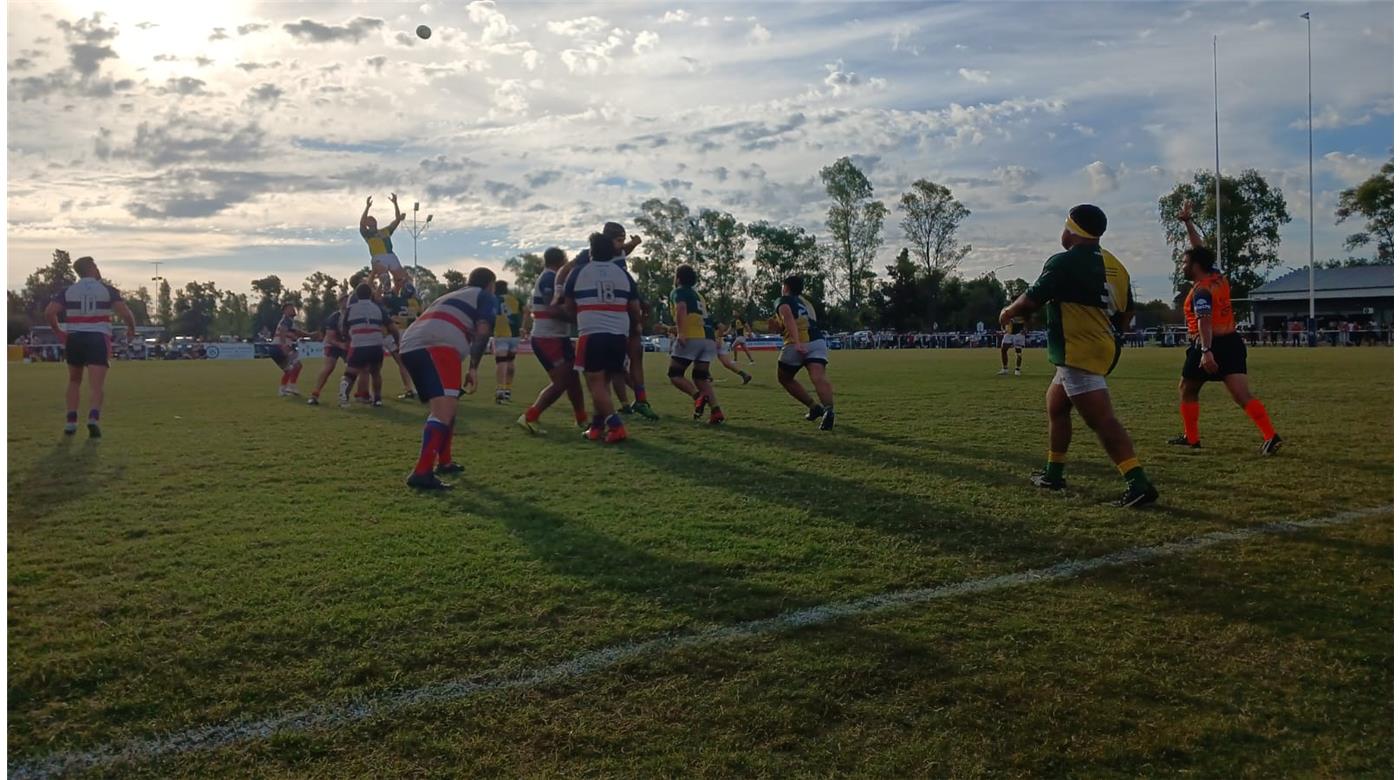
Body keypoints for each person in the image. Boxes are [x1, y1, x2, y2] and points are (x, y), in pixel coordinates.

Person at [999, 204, 1158, 508]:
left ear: (1071, 230)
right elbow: (1128, 311)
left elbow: (1030, 300)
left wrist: (1007, 311)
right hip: (1102, 346)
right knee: (1056, 406)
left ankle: (1138, 483)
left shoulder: (1064, 262)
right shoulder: (1117, 265)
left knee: (1102, 420)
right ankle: (1053, 473)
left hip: (1078, 350)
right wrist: (1111, 332)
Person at [1168, 202, 1283, 455]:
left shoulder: (1201, 290)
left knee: (1187, 389)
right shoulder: (1217, 276)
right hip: (1232, 342)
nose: (1183, 266)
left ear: (1196, 266)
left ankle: (1193, 437)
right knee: (1241, 395)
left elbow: (1204, 321)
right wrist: (1188, 223)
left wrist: (1206, 351)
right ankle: (1270, 435)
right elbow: (1199, 249)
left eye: (1185, 263)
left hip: (1209, 344)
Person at [398, 267, 498, 489]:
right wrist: (473, 367)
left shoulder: (450, 295)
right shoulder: (485, 297)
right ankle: (422, 472)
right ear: (490, 284)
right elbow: (483, 330)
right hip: (438, 346)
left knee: (449, 405)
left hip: (411, 345)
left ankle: (445, 461)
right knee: (443, 411)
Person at [554, 222, 658, 420]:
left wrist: (635, 243)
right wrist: (559, 291)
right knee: (610, 370)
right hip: (606, 313)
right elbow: (563, 271)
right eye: (618, 240)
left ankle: (639, 400)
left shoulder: (616, 254)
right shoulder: (590, 255)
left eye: (622, 240)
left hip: (621, 307)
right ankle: (620, 407)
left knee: (633, 356)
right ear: (608, 241)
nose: (621, 245)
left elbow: (625, 250)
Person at [43, 256, 136, 437]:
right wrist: (131, 328)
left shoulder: (68, 291)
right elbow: (125, 312)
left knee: (74, 380)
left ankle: (71, 422)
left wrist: (58, 330)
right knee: (96, 385)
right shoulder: (107, 290)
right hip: (97, 337)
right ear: (92, 267)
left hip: (75, 337)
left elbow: (49, 312)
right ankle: (93, 418)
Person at [563, 232, 642, 443]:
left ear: (591, 252)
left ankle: (616, 426)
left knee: (594, 382)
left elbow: (568, 306)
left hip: (592, 333)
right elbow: (635, 309)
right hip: (619, 335)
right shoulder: (623, 275)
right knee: (604, 380)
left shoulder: (579, 272)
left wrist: (582, 317)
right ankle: (597, 427)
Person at [517, 247, 588, 434]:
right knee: (562, 381)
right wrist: (581, 318)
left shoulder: (552, 278)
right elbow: (553, 309)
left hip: (556, 337)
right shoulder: (549, 278)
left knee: (572, 379)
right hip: (547, 338)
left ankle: (582, 419)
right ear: (562, 260)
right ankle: (530, 416)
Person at [771, 275, 835, 431]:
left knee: (784, 378)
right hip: (818, 341)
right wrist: (778, 328)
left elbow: (788, 319)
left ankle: (814, 406)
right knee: (818, 377)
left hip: (797, 342)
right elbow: (802, 321)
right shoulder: (806, 303)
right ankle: (829, 411)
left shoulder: (783, 300)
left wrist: (797, 342)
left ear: (786, 287)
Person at [667, 265, 726, 425]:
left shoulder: (678, 291)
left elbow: (681, 308)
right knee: (701, 378)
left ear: (678, 278)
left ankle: (698, 397)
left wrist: (681, 332)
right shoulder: (698, 295)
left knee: (675, 374)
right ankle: (716, 411)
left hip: (691, 336)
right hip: (707, 339)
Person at [337, 283, 399, 408]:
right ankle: (377, 399)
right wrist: (397, 341)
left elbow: (343, 329)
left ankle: (344, 396)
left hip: (358, 344)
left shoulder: (350, 309)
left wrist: (348, 339)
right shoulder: (378, 308)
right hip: (375, 345)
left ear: (356, 295)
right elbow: (392, 328)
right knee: (375, 372)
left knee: (350, 373)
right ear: (370, 294)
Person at [359, 194, 409, 293]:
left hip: (390, 255)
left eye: (373, 218)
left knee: (403, 280)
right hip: (378, 256)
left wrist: (395, 203)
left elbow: (398, 219)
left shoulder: (385, 231)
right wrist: (367, 207)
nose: (372, 219)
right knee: (385, 279)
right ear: (367, 224)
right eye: (369, 219)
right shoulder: (367, 234)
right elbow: (361, 223)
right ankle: (385, 293)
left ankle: (396, 295)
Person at [380, 283, 421, 399]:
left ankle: (410, 389)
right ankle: (414, 387)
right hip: (410, 333)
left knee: (402, 364)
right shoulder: (416, 303)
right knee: (409, 363)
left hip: (396, 334)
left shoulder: (396, 301)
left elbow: (385, 299)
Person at [307, 307, 347, 405]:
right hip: (332, 344)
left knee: (354, 368)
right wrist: (341, 345)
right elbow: (329, 338)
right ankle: (315, 394)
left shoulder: (353, 314)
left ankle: (362, 394)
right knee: (329, 367)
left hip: (345, 343)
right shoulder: (334, 317)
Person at [492, 279, 523, 403]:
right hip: (515, 334)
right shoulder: (515, 299)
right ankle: (508, 390)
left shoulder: (494, 300)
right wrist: (523, 327)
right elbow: (526, 311)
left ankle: (500, 391)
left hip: (501, 333)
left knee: (501, 362)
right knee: (510, 361)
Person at [269, 302, 307, 396]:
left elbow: (296, 333)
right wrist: (284, 345)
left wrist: (307, 336)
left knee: (289, 370)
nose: (293, 310)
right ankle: (291, 387)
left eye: (293, 308)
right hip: (279, 347)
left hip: (274, 348)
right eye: (290, 308)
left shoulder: (289, 321)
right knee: (297, 365)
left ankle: (282, 390)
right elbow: (282, 331)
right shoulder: (286, 320)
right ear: (285, 311)